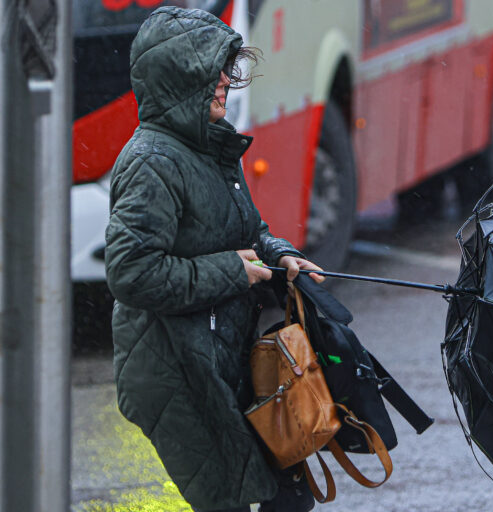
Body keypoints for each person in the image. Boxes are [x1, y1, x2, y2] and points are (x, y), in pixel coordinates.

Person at [105, 7, 322, 512]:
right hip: (174, 373)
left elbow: (248, 232)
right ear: (181, 79)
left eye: (226, 68)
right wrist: (231, 271)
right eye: (212, 70)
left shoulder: (207, 148)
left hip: (215, 358)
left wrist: (283, 257)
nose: (225, 80)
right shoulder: (152, 161)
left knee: (284, 501)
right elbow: (131, 272)